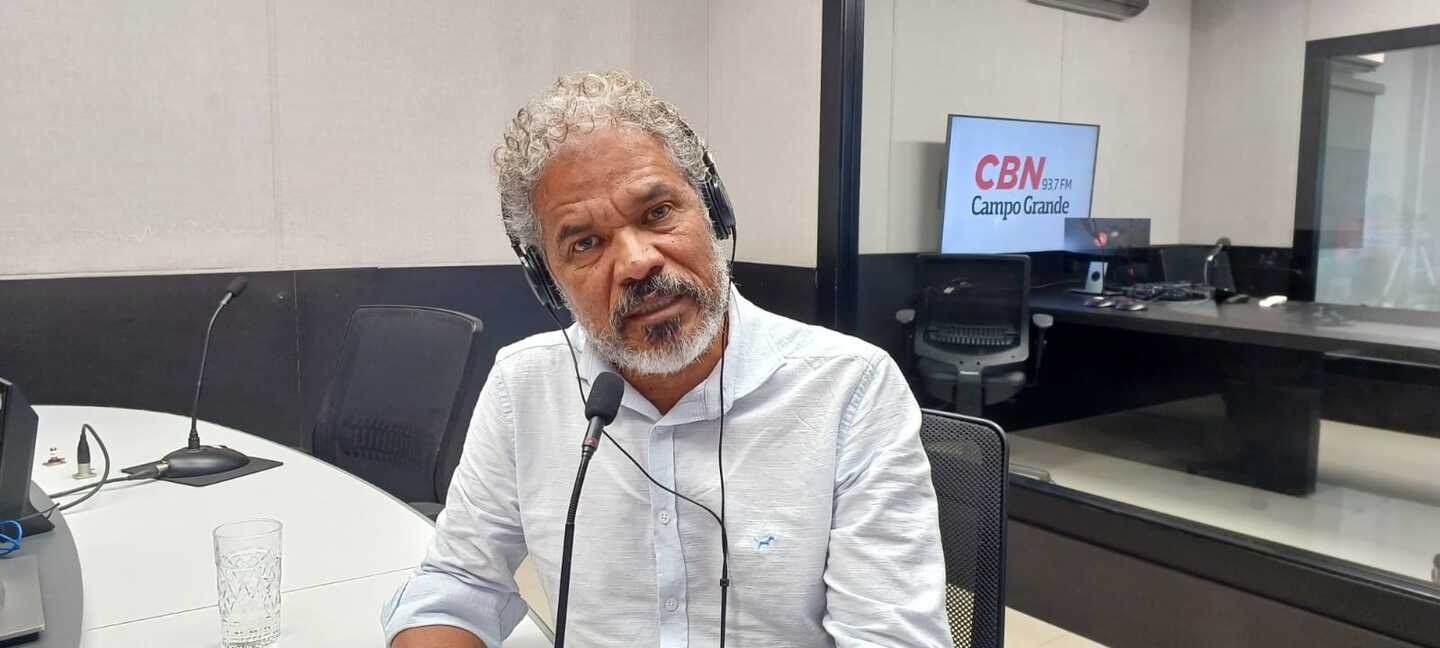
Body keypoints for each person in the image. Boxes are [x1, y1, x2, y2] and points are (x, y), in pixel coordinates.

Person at [384, 70, 951, 648]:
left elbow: (891, 636)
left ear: (712, 211)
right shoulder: (523, 386)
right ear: (548, 281)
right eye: (585, 242)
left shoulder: (852, 388)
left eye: (657, 212)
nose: (636, 262)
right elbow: (458, 583)